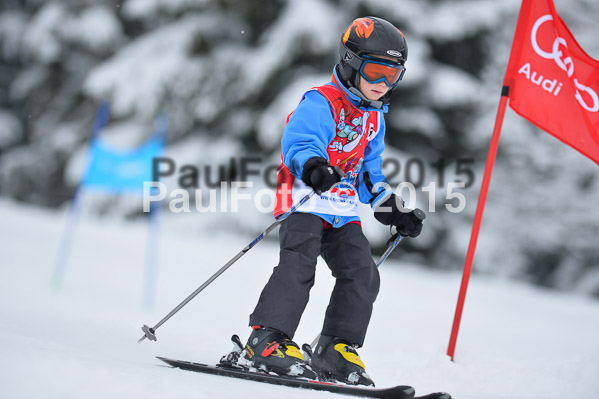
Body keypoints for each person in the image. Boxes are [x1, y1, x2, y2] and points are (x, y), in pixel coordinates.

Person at [241, 16, 424, 386]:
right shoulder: (321, 101)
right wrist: (314, 168)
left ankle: (333, 348)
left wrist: (392, 209)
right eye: (375, 72)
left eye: (393, 75)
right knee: (299, 265)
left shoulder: (375, 117)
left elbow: (370, 174)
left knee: (362, 272)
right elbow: (299, 142)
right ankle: (266, 340)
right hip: (305, 199)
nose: (383, 84)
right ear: (351, 63)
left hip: (341, 209)